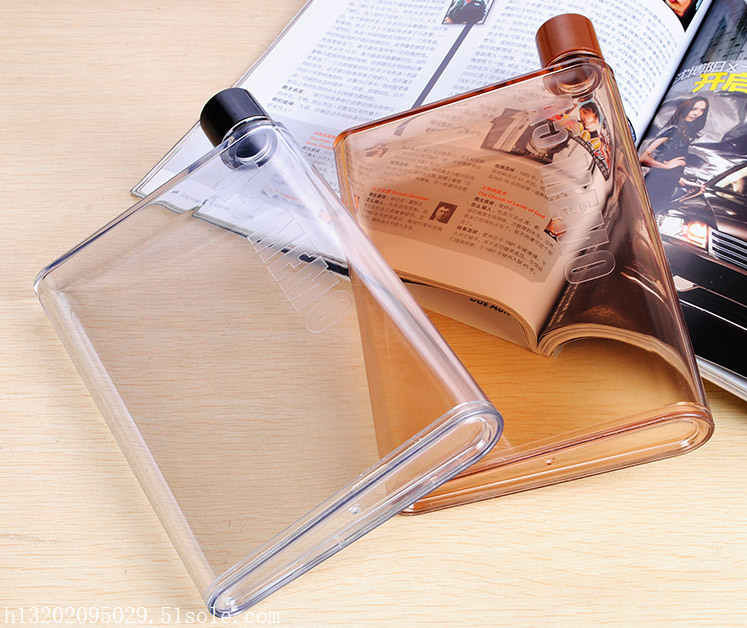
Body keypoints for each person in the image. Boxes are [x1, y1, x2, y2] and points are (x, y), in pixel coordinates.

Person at [639, 96, 709, 211]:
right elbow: (643, 158)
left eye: (702, 110)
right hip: (655, 185)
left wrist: (683, 181)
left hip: (667, 186)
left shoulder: (684, 132)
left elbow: (670, 168)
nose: (697, 113)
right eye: (694, 109)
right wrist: (666, 166)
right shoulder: (673, 130)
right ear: (686, 108)